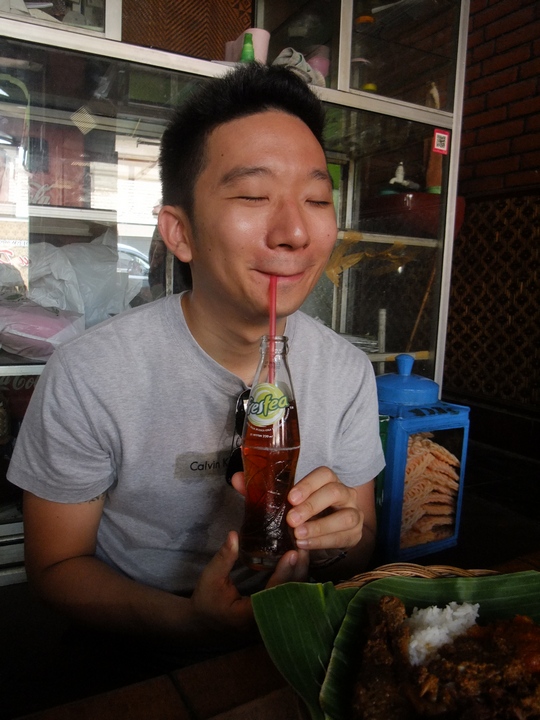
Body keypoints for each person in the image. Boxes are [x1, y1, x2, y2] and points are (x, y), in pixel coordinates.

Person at [7, 64, 384, 661]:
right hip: (138, 640)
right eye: (254, 196)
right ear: (179, 232)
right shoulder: (90, 373)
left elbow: (360, 544)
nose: (294, 231)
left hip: (295, 631)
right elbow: (55, 567)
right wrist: (191, 624)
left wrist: (336, 541)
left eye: (316, 199)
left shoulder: (347, 372)